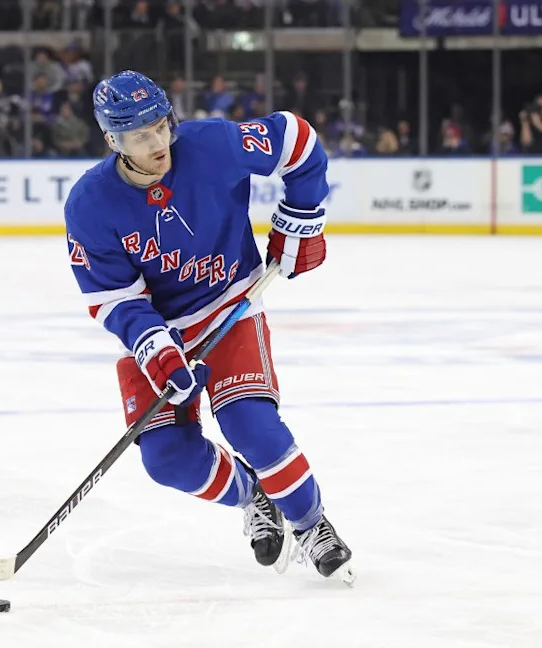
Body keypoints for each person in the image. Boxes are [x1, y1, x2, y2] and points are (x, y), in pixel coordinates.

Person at [62, 70, 354, 584]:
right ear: (112, 140)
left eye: (161, 125)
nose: (158, 143)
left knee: (251, 427)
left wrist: (298, 223)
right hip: (159, 331)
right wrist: (158, 352)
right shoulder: (89, 204)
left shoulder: (211, 144)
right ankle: (254, 494)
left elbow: (298, 140)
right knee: (168, 460)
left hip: (228, 307)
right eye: (139, 135)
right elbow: (113, 299)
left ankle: (311, 523)